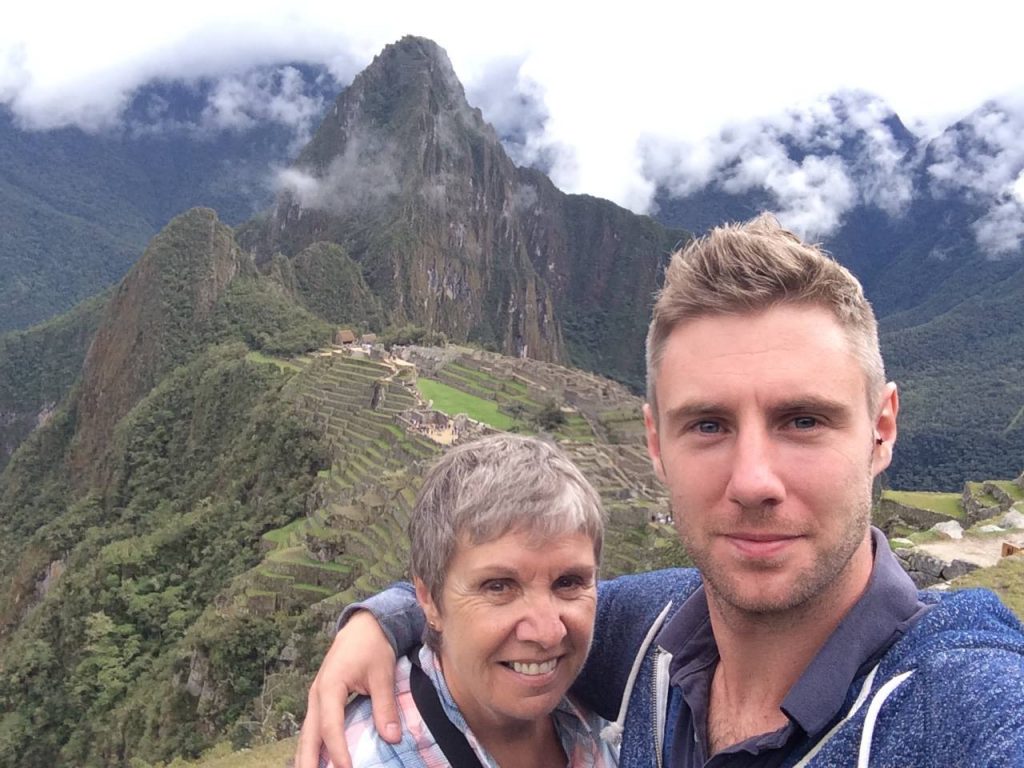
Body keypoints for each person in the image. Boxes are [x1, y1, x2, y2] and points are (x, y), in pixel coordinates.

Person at [298, 215, 1024, 768]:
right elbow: (496, 610)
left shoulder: (952, 697)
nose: (752, 481)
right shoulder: (653, 635)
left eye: (803, 421)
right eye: (707, 425)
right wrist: (379, 620)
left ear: (882, 429)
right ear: (654, 444)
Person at [319, 433, 618, 767]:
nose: (548, 633)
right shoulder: (376, 758)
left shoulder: (612, 683)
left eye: (568, 582)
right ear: (429, 599)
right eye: (499, 587)